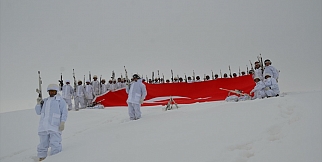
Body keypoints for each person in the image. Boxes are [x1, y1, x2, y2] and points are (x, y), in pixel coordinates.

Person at [35, 84, 68, 161]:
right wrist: (38, 103)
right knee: (43, 144)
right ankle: (42, 157)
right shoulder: (45, 101)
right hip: (43, 126)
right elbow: (38, 112)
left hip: (55, 126)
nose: (51, 92)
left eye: (53, 91)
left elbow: (64, 112)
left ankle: (56, 158)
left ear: (56, 91)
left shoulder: (60, 100)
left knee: (55, 143)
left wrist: (62, 122)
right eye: (50, 91)